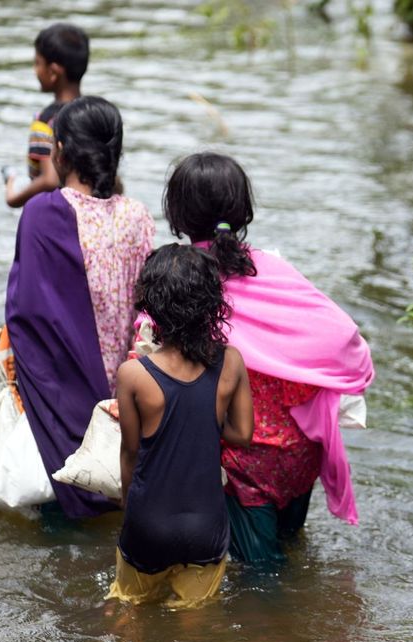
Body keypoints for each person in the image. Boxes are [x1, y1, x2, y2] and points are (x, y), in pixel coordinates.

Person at [159, 152, 374, 563]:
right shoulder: (273, 269)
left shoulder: (179, 281)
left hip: (247, 461)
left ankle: (278, 630)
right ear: (242, 211)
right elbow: (344, 335)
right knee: (293, 553)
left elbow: (159, 368)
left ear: (177, 214)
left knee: (261, 587)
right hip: (300, 453)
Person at [5, 96, 154, 519]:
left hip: (68, 389)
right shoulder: (138, 216)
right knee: (120, 504)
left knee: (62, 506)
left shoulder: (41, 213)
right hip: (127, 392)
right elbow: (148, 305)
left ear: (61, 151)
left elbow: (27, 312)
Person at [109, 244, 253, 608]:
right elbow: (243, 435)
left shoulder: (133, 375)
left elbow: (130, 453)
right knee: (194, 627)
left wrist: (129, 507)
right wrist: (202, 421)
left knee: (128, 610)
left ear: (152, 306)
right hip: (205, 527)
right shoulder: (231, 362)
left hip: (149, 525)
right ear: (212, 304)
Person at [5, 23, 88, 208]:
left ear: (53, 72)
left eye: (37, 63)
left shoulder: (45, 121)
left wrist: (13, 197)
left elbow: (50, 180)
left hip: (53, 216)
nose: (35, 70)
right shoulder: (93, 114)